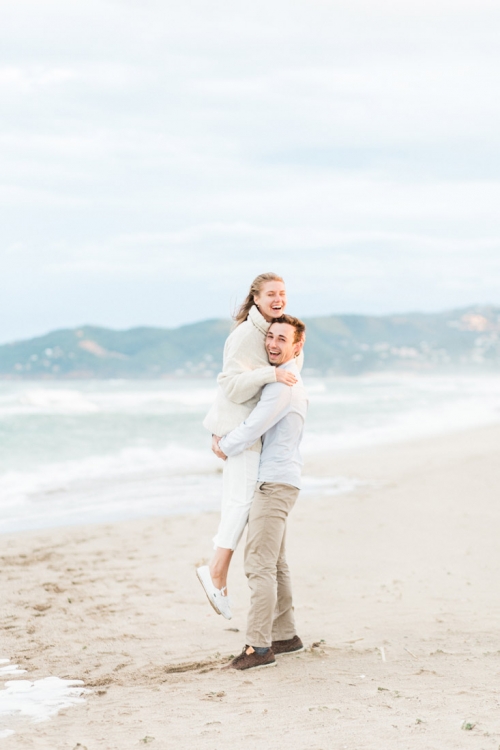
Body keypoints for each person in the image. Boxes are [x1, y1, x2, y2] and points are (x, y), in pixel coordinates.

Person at [197, 273, 303, 620]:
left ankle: (218, 574)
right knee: (240, 504)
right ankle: (215, 572)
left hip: (248, 435)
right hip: (237, 432)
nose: (278, 298)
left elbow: (287, 370)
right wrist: (268, 376)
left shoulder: (276, 330)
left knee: (241, 506)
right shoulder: (246, 334)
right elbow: (229, 385)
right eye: (271, 293)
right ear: (255, 298)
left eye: (282, 293)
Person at [214, 315, 308, 671]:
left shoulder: (282, 385)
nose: (272, 343)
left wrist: (224, 443)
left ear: (296, 347)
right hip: (283, 480)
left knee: (259, 566)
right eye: (270, 336)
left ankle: (259, 647)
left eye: (282, 339)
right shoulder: (288, 381)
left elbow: (255, 426)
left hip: (273, 483)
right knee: (276, 564)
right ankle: (286, 636)